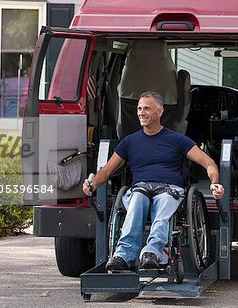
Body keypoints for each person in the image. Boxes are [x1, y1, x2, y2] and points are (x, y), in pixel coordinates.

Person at [82, 91, 224, 271]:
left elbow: (208, 163)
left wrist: (215, 183)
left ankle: (152, 253)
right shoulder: (129, 142)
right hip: (140, 188)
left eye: (147, 109)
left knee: (163, 205)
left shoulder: (177, 139)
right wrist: (92, 184)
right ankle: (122, 255)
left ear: (160, 112)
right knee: (137, 199)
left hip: (169, 189)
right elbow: (107, 170)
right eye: (140, 108)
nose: (141, 112)